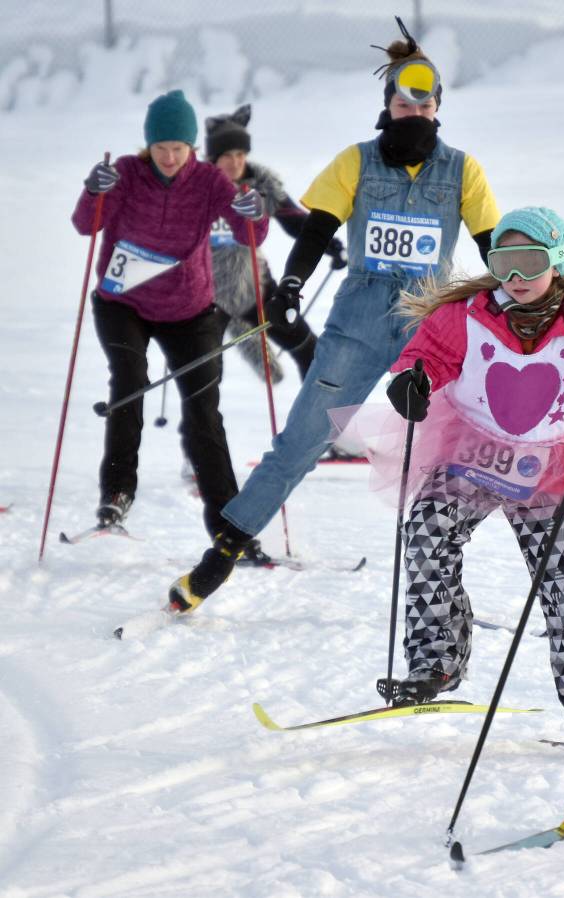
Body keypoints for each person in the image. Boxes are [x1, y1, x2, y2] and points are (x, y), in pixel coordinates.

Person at [167, 20, 500, 611]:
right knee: (301, 440)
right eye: (403, 104)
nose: (414, 113)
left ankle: (457, 589)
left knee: (471, 444)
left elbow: (493, 245)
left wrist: (519, 301)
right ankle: (223, 553)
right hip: (361, 317)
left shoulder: (462, 170)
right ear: (388, 105)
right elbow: (317, 229)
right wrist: (291, 285)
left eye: (424, 105)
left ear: (438, 108)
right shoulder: (357, 162)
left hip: (428, 322)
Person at [381, 206, 564, 741]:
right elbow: (426, 356)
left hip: (551, 464)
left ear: (556, 262)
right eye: (503, 263)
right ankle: (435, 662)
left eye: (530, 262)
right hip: (473, 450)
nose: (516, 276)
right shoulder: (468, 314)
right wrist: (411, 381)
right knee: (426, 530)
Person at [72, 89, 269, 538]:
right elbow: (87, 224)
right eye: (160, 147)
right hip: (122, 303)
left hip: (188, 308)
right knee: (128, 384)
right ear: (148, 144)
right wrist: (93, 190)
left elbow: (250, 235)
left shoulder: (209, 181)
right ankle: (116, 496)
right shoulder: (126, 172)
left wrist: (254, 213)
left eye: (178, 147)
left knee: (204, 411)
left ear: (191, 146)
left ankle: (229, 525)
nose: (169, 157)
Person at [204, 104, 347, 383]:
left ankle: (312, 411)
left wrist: (329, 244)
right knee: (206, 376)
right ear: (212, 157)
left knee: (310, 352)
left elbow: (296, 221)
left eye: (240, 155)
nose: (235, 162)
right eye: (227, 156)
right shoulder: (197, 187)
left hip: (253, 286)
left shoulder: (260, 185)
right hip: (206, 293)